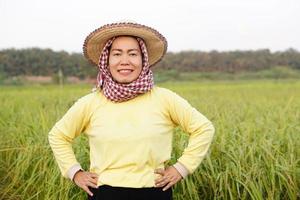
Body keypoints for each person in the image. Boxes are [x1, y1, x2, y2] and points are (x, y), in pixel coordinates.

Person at [48, 21, 215, 200]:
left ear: (143, 60)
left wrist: (181, 168)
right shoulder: (91, 102)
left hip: (154, 192)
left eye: (133, 54)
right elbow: (58, 135)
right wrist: (75, 173)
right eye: (117, 54)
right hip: (104, 193)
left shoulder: (164, 99)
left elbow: (203, 128)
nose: (125, 61)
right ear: (107, 60)